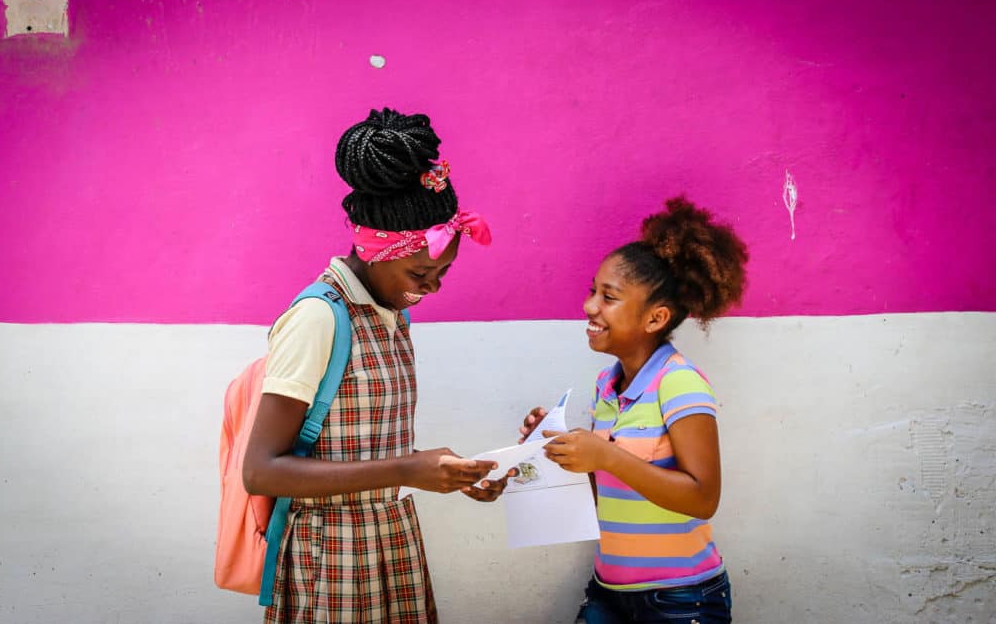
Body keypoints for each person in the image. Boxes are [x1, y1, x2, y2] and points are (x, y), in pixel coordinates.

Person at [243, 107, 509, 624]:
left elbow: (358, 442)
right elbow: (261, 470)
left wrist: (447, 475)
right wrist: (408, 469)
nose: (433, 286)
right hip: (333, 556)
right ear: (375, 252)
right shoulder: (318, 318)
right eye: (421, 270)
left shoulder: (390, 313)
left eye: (444, 272)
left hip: (390, 543)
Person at [519, 196, 748, 623]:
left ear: (655, 318)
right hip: (608, 593)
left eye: (609, 297)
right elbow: (604, 493)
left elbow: (703, 497)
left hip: (681, 600)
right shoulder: (606, 385)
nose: (590, 306)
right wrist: (555, 450)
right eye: (593, 291)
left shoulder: (679, 382)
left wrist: (605, 455)